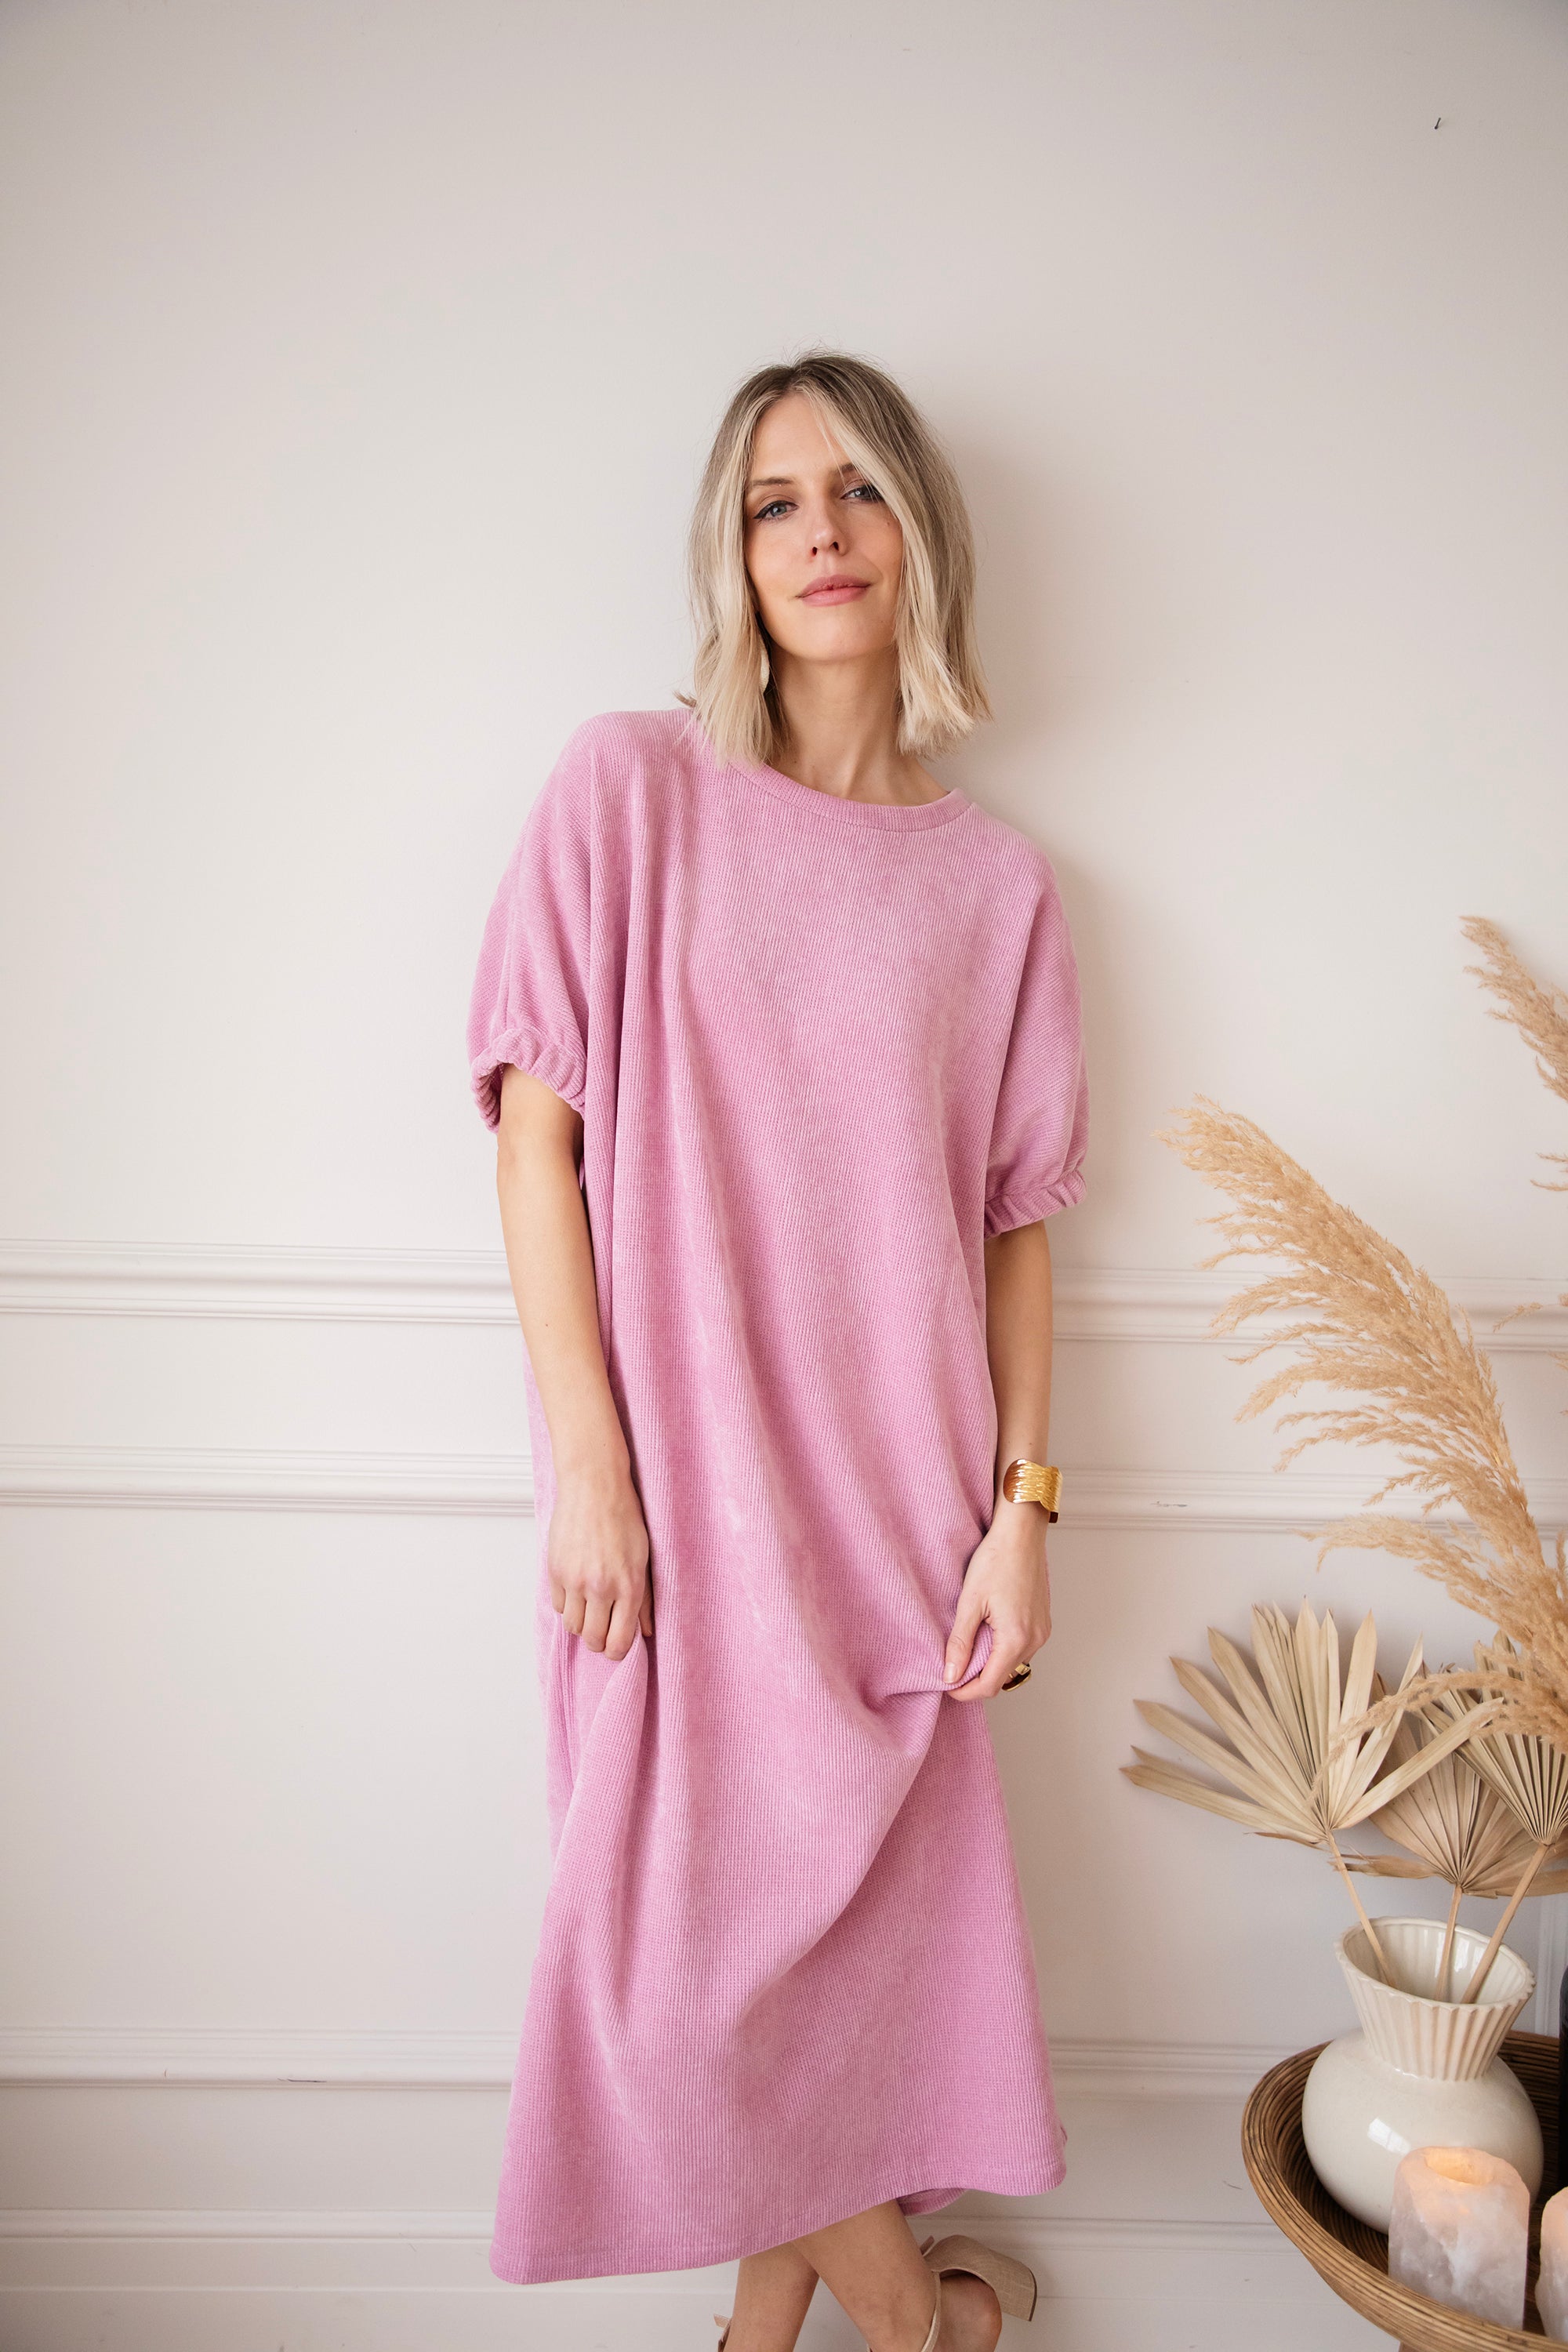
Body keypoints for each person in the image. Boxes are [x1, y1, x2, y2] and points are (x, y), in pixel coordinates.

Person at [466, 350, 1089, 2352]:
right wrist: (593, 1470)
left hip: (906, 1522)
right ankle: (922, 2327)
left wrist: (1021, 1514)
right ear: (730, 556)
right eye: (772, 501)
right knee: (687, 1983)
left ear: (920, 535)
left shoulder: (996, 889)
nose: (820, 533)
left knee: (834, 1990)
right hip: (672, 1519)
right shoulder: (628, 794)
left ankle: (779, 2338)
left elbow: (1012, 1227)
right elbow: (537, 1144)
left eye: (858, 490)